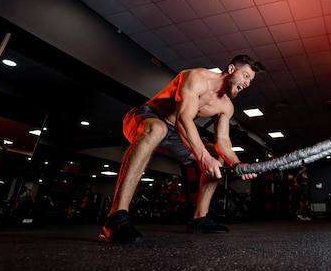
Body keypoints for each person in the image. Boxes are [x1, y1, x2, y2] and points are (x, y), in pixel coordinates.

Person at [98, 55, 264, 243]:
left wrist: (237, 163)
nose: (248, 83)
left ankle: (200, 218)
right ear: (232, 69)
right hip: (146, 118)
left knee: (215, 153)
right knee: (158, 129)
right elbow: (183, 118)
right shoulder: (196, 77)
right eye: (246, 76)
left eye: (250, 80)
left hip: (175, 133)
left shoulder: (226, 106)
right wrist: (202, 157)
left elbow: (223, 141)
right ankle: (116, 217)